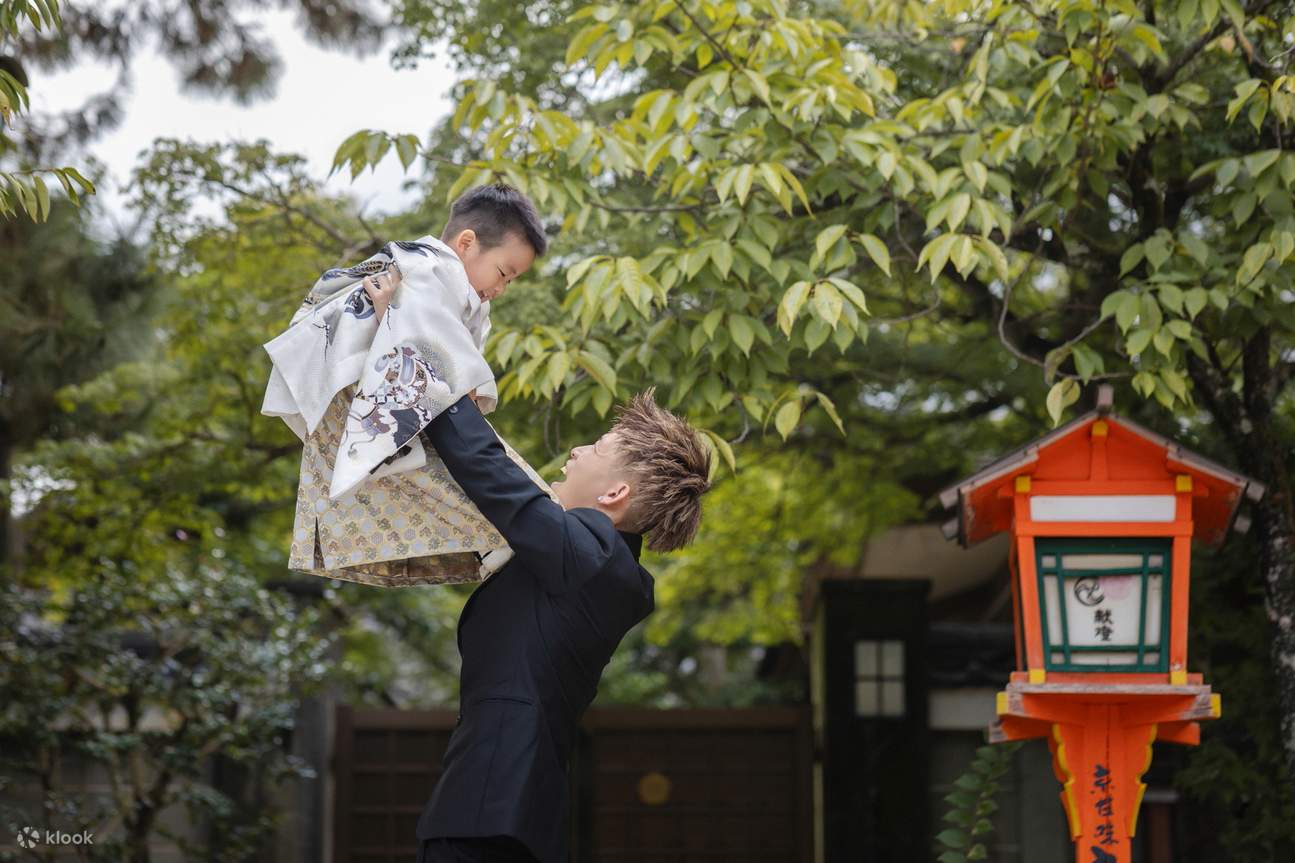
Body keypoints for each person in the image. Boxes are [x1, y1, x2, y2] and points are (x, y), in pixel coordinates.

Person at [410, 386, 713, 863]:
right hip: (508, 806)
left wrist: (435, 390)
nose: (576, 450)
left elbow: (497, 479)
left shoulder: (590, 556)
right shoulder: (597, 568)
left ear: (615, 494)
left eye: (595, 449)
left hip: (489, 808)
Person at [261, 183, 555, 587]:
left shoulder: (464, 297)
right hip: (352, 387)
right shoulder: (428, 268)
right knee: (492, 478)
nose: (502, 288)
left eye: (511, 281)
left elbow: (450, 364)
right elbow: (430, 343)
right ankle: (500, 535)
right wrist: (394, 319)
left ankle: (495, 537)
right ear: (467, 243)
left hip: (386, 397)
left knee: (446, 477)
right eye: (504, 272)